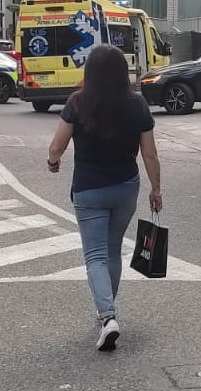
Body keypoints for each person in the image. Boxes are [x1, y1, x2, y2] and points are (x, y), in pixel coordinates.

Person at [46, 44, 163, 352]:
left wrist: (53, 161)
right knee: (112, 251)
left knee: (95, 255)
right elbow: (150, 153)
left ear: (90, 73)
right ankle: (107, 310)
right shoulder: (137, 104)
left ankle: (107, 315)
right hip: (126, 187)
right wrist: (156, 189)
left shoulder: (77, 102)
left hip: (89, 190)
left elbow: (57, 145)